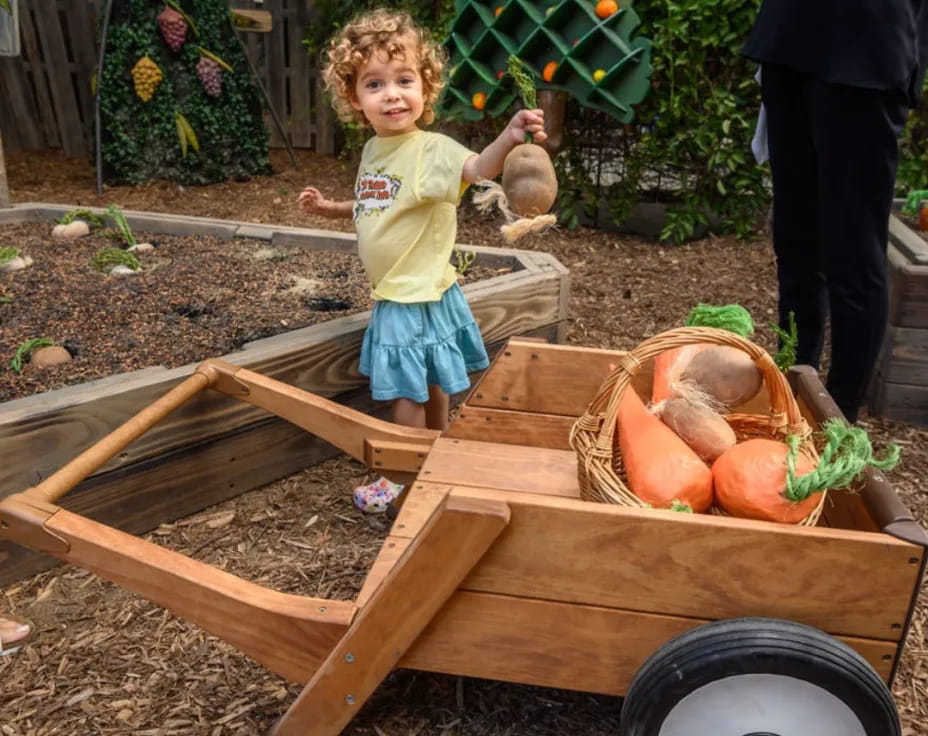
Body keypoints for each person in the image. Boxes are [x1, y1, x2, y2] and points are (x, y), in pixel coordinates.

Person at [298, 9, 546, 511]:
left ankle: (400, 478)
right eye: (375, 83)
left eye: (404, 79)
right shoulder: (375, 150)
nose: (392, 93)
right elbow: (377, 202)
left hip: (412, 296)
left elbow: (477, 168)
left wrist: (510, 135)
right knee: (429, 378)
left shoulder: (431, 150)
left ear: (425, 88)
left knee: (406, 392)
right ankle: (439, 450)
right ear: (354, 99)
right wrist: (331, 208)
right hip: (412, 292)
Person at [743, 2, 928, 423]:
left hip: (870, 48)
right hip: (790, 39)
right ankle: (790, 393)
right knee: (794, 243)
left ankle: (838, 421)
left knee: (854, 254)